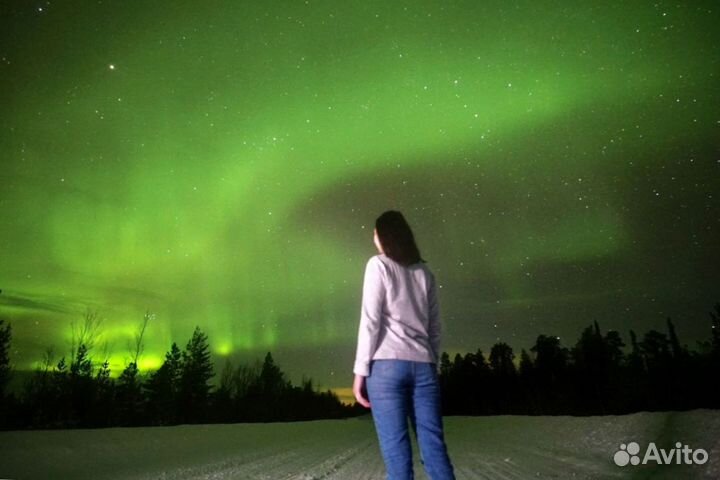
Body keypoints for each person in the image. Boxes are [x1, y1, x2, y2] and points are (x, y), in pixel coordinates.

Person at [352, 210, 456, 480]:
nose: (372, 237)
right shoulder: (425, 272)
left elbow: (370, 321)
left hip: (386, 368)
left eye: (375, 232)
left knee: (398, 460)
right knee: (435, 450)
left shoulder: (378, 265)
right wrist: (430, 361)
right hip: (423, 367)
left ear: (384, 236)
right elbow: (435, 328)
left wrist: (360, 370)